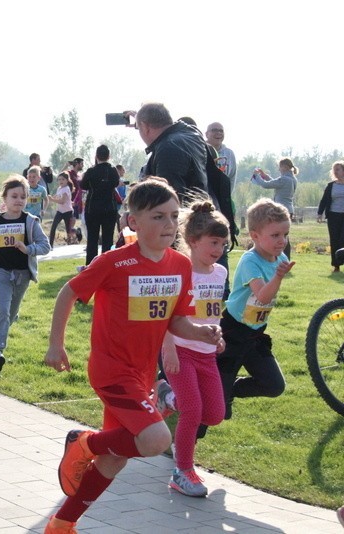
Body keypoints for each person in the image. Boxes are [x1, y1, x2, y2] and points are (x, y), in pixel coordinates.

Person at [42, 179, 222, 534]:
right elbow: (68, 293)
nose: (168, 225)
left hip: (142, 374)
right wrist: (55, 344)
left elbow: (176, 320)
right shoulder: (114, 262)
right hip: (111, 371)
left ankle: (62, 524)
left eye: (173, 217)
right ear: (133, 222)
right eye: (157, 217)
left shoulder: (180, 266)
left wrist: (200, 332)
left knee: (116, 457)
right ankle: (84, 442)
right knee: (156, 439)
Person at [161, 200, 229, 497]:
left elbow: (213, 312)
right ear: (192, 241)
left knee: (214, 414)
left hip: (206, 354)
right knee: (193, 410)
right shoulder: (180, 270)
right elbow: (165, 317)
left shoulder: (220, 273)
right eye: (213, 242)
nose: (219, 249)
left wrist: (219, 336)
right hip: (179, 351)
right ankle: (182, 471)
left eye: (224, 244)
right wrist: (169, 351)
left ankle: (167, 397)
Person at [214, 198, 293, 427]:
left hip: (255, 334)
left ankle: (231, 389)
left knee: (275, 386)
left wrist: (278, 274)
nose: (282, 241)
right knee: (217, 412)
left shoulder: (281, 258)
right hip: (233, 332)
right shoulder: (250, 261)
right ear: (256, 236)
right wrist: (278, 276)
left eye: (285, 235)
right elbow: (263, 297)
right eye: (275, 235)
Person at [0, 175, 51, 373]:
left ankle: (9, 320)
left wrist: (28, 249)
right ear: (4, 199)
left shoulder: (30, 221)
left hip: (23, 274)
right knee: (2, 310)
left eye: (22, 197)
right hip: (1, 271)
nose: (18, 200)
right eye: (14, 196)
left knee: (10, 311)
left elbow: (45, 246)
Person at [134, 103, 209, 202]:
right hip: (197, 211)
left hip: (181, 215)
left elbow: (167, 199)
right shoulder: (191, 134)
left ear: (145, 127)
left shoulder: (168, 149)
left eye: (139, 128)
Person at [81, 145, 121, 265]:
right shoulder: (113, 170)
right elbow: (115, 183)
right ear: (109, 156)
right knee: (107, 239)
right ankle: (106, 266)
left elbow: (83, 185)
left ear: (96, 156)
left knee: (92, 240)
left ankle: (90, 266)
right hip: (109, 207)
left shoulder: (91, 171)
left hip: (92, 208)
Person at [252, 158, 298, 259]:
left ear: (285, 167)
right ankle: (285, 259)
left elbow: (266, 185)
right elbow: (275, 183)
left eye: (280, 167)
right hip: (289, 209)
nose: (279, 169)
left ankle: (283, 259)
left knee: (279, 236)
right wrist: (264, 176)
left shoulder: (284, 179)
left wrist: (257, 176)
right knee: (284, 236)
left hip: (281, 211)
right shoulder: (292, 179)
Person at [317, 161, 344, 272]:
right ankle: (336, 265)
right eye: (334, 170)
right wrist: (320, 213)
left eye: (338, 169)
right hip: (333, 216)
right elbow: (324, 201)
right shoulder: (331, 185)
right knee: (334, 240)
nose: (336, 171)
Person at [205, 122, 237, 188]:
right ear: (206, 134)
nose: (218, 133)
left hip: (222, 195)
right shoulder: (199, 150)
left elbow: (232, 178)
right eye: (214, 130)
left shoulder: (229, 154)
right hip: (202, 195)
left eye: (221, 131)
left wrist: (226, 196)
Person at [48, 172, 74, 246]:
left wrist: (52, 200)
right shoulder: (59, 188)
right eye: (59, 179)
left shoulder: (66, 189)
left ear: (67, 180)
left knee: (68, 229)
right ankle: (50, 245)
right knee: (53, 227)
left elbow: (62, 201)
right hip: (60, 211)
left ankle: (70, 243)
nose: (61, 181)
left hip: (67, 212)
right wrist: (50, 198)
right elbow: (57, 196)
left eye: (63, 179)